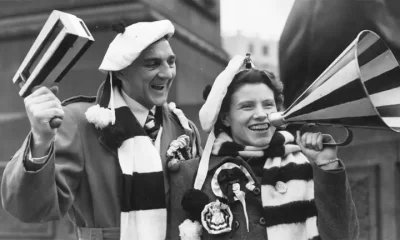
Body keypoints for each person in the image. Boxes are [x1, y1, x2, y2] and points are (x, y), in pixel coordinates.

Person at [1, 20, 202, 240]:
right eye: (152, 64)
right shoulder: (80, 122)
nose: (166, 73)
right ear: (121, 72)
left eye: (171, 62)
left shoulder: (183, 128)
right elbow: (30, 209)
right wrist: (40, 140)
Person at [168, 55, 359, 239]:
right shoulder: (191, 175)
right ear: (225, 117)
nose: (261, 114)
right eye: (247, 106)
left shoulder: (309, 164)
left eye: (268, 105)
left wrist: (326, 164)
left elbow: (343, 236)